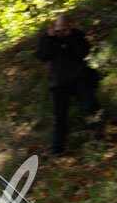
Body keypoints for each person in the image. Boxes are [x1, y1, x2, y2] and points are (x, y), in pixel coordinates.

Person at [36, 15, 101, 155]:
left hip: (79, 79)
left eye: (64, 29)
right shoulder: (47, 38)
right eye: (59, 29)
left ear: (70, 26)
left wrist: (70, 37)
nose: (61, 32)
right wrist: (50, 38)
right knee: (60, 118)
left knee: (90, 106)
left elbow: (83, 52)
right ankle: (57, 150)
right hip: (58, 83)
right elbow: (42, 55)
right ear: (54, 27)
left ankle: (98, 136)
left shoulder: (77, 35)